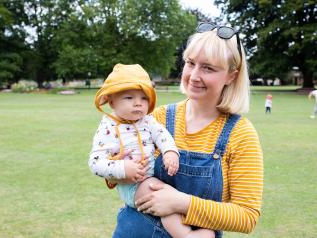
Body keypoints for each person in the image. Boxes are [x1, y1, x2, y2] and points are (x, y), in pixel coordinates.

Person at [110, 22, 264, 238]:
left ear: (232, 75)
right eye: (190, 63)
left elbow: (246, 216)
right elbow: (115, 164)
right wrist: (119, 168)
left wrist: (181, 203)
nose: (194, 75)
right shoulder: (157, 118)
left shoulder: (240, 134)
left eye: (208, 68)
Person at [89, 63, 215, 238]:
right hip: (131, 185)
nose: (138, 104)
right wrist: (122, 168)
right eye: (129, 98)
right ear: (111, 101)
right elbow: (95, 163)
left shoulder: (147, 120)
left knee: (169, 197)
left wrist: (170, 151)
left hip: (148, 178)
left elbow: (162, 135)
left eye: (143, 98)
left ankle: (190, 225)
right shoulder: (108, 128)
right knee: (163, 197)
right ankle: (185, 234)